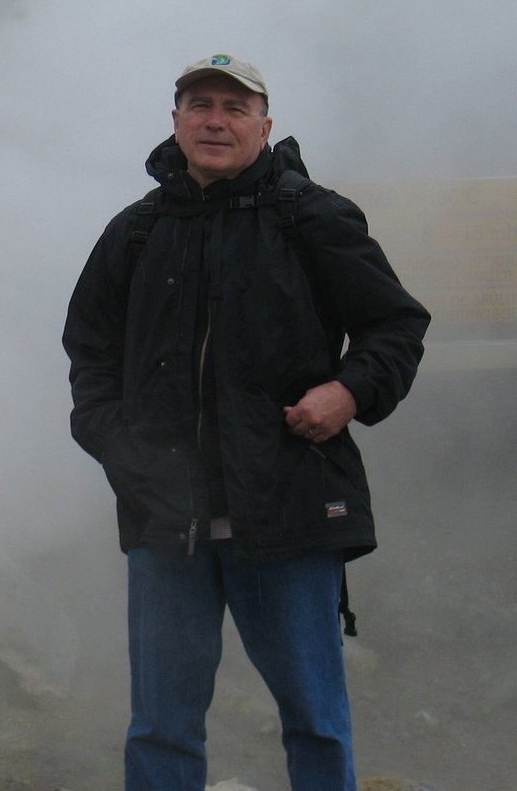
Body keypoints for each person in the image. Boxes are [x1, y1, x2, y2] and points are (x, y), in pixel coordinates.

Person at [61, 54, 430, 790]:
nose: (216, 120)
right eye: (201, 105)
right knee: (161, 727)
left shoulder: (311, 217)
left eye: (235, 107)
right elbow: (89, 354)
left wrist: (348, 393)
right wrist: (121, 448)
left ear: (265, 124)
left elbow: (396, 325)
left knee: (316, 722)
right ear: (175, 121)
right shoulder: (135, 232)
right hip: (166, 519)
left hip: (289, 510)